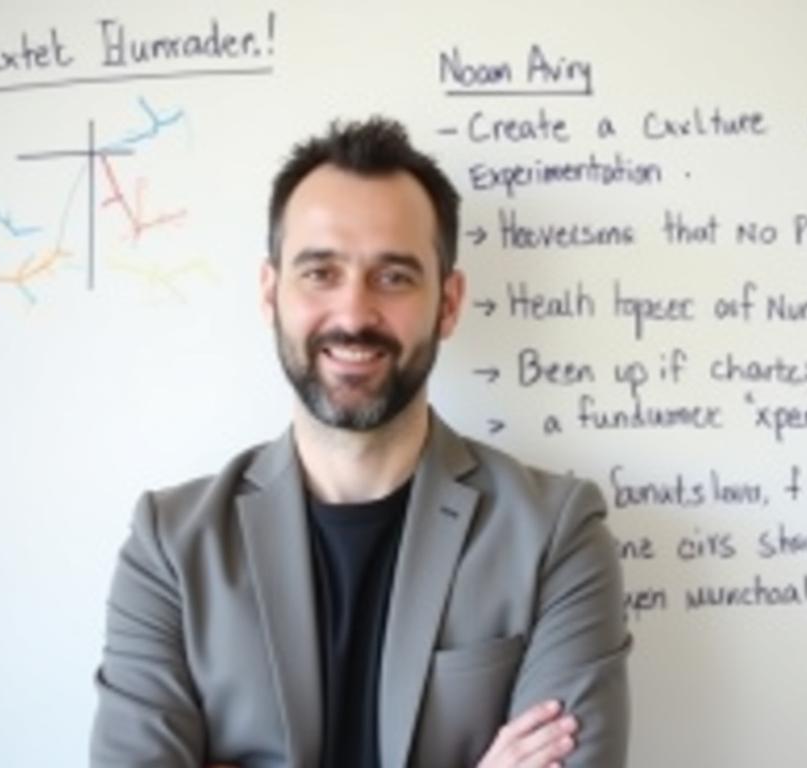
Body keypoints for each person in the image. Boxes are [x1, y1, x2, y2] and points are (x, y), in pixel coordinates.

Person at [90, 117, 631, 767]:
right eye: (320, 272)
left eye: (395, 276)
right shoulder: (171, 548)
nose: (352, 314)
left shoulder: (555, 533)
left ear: (449, 303)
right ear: (271, 293)